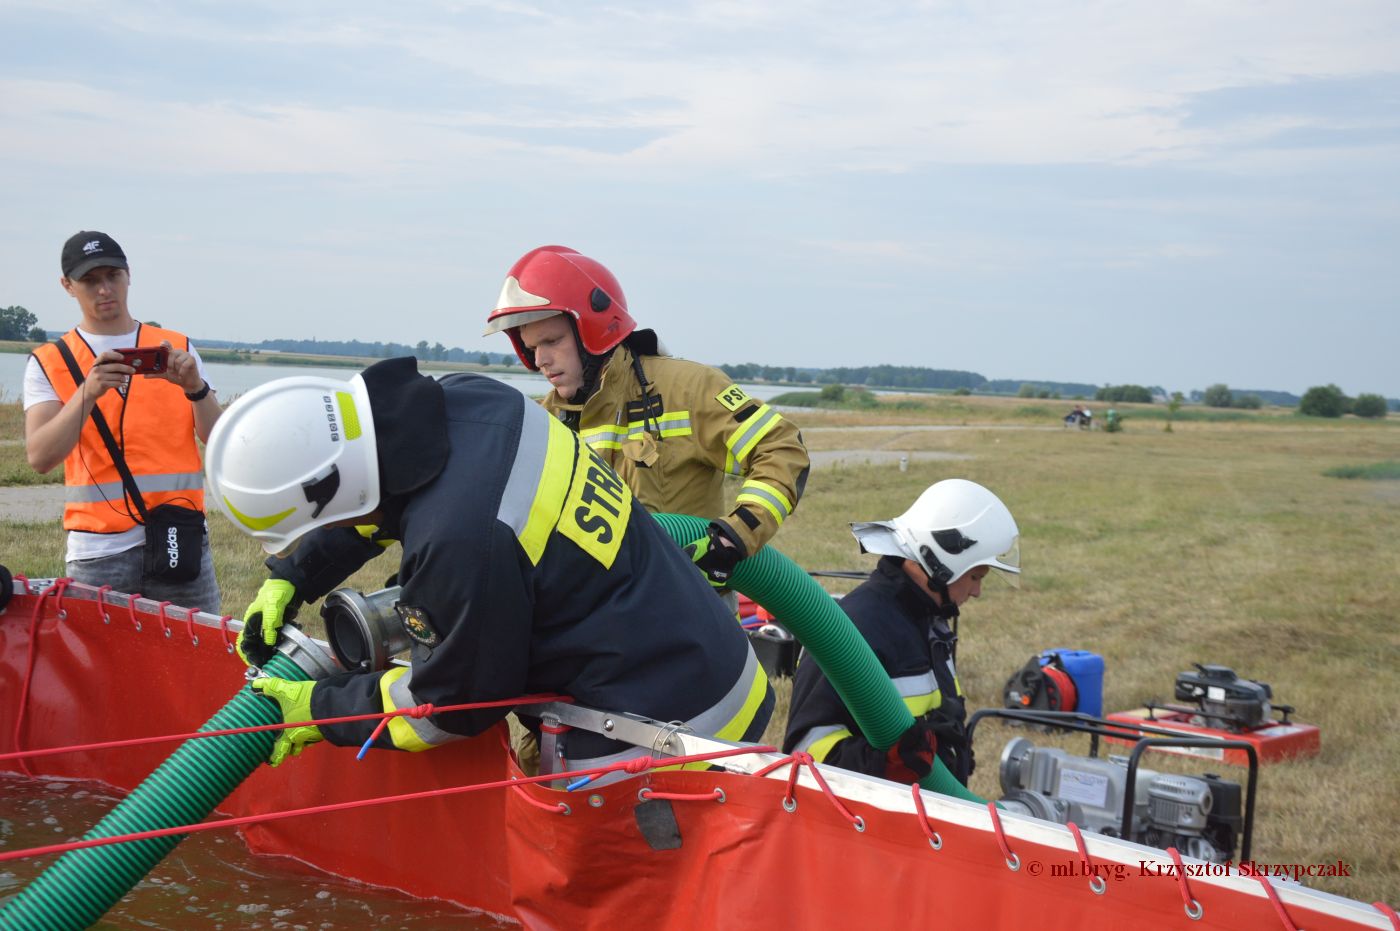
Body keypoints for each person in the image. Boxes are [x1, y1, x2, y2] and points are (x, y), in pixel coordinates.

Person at [205, 358, 774, 774]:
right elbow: (377, 494)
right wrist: (292, 576)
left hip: (665, 730)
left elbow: (445, 707)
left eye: (318, 527)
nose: (327, 534)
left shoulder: (463, 538)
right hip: (708, 655)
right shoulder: (469, 400)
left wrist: (317, 710)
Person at [482, 246, 809, 590]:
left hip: (690, 611)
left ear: (592, 330)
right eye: (532, 348)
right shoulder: (544, 420)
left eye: (552, 341)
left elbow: (782, 450)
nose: (541, 360)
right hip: (596, 614)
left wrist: (734, 536)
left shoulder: (687, 389)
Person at [24, 230, 222, 612]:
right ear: (67, 286)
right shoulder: (50, 361)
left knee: (194, 665)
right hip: (99, 550)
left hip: (179, 538)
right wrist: (89, 391)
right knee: (99, 671)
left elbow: (220, 440)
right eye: (90, 280)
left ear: (128, 275)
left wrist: (196, 387)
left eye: (112, 276)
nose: (104, 290)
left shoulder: (176, 346)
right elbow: (40, 457)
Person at [783, 479, 1020, 786]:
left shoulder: (928, 619)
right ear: (940, 563)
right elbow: (804, 754)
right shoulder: (854, 629)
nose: (976, 591)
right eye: (975, 576)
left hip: (925, 816)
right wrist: (886, 765)